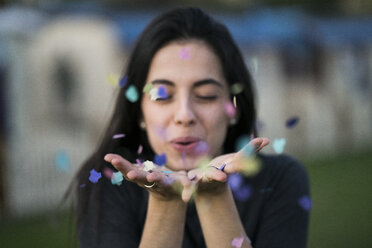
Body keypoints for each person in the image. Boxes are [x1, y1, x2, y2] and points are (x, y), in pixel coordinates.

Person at [75, 7, 310, 248]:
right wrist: (166, 202)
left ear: (233, 108)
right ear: (139, 113)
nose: (184, 115)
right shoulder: (107, 182)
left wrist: (215, 195)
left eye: (206, 95)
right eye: (162, 95)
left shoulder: (281, 178)